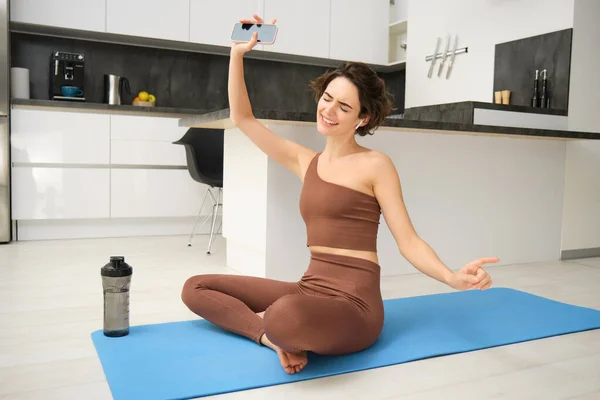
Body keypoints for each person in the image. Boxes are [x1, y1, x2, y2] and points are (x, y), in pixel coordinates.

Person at [181, 14, 497, 375]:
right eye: (327, 98)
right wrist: (237, 54)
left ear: (361, 119)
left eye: (343, 107)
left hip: (355, 307)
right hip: (309, 289)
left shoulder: (376, 165)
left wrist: (453, 277)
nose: (329, 110)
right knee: (197, 286)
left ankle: (281, 328)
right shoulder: (306, 162)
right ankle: (270, 337)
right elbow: (244, 119)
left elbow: (409, 242)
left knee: (283, 314)